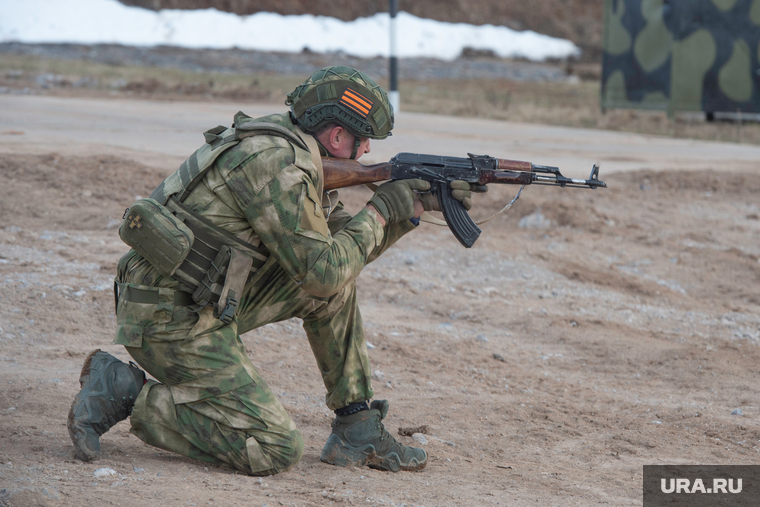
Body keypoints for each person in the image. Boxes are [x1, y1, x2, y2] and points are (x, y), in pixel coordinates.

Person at [67, 66, 477, 476]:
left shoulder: (287, 144)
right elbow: (324, 270)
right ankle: (124, 391)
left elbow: (336, 257)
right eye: (363, 139)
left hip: (198, 294)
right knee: (275, 446)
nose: (367, 151)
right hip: (168, 317)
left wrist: (409, 210)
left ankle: (357, 426)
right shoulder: (277, 164)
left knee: (334, 289)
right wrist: (383, 209)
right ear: (337, 137)